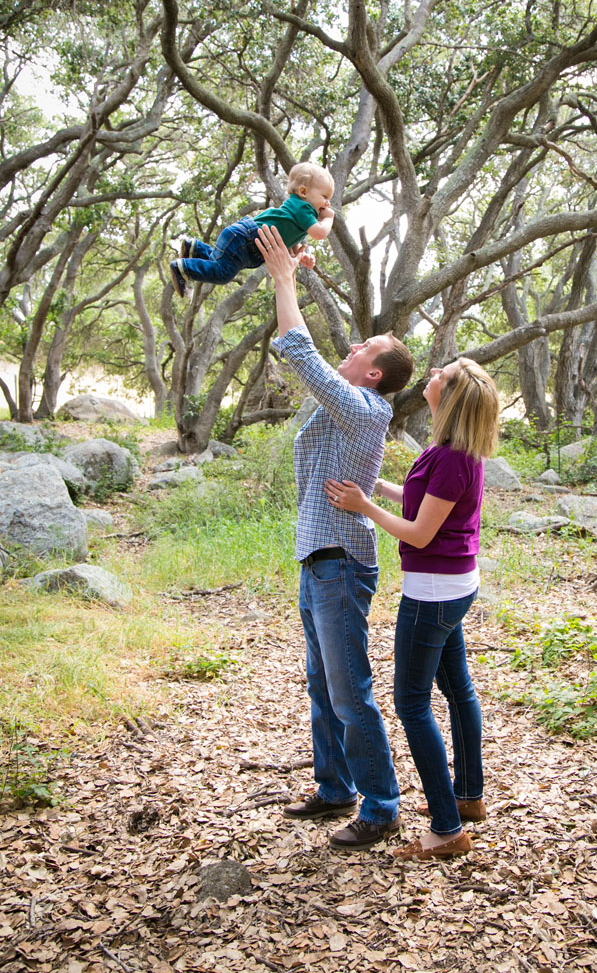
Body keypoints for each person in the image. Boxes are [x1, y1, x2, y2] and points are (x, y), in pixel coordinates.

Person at [254, 222, 414, 850]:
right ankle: (335, 787)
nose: (350, 349)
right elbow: (308, 354)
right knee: (324, 683)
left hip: (340, 564)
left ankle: (382, 806)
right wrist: (299, 274)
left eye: (362, 348)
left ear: (372, 376)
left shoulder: (364, 408)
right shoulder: (348, 402)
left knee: (349, 690)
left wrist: (284, 280)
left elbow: (300, 353)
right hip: (318, 560)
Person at [324, 356, 500, 861]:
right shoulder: (453, 449)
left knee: (411, 704)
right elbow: (430, 508)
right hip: (455, 583)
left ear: (451, 395)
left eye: (441, 374)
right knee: (458, 688)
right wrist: (380, 489)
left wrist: (364, 508)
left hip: (433, 592)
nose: (432, 375)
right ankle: (467, 797)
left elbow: (420, 533)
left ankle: (446, 830)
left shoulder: (450, 456)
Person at [169, 162, 334, 297]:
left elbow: (287, 242)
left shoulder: (297, 210)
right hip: (246, 241)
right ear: (304, 192)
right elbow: (319, 233)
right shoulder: (304, 208)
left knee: (217, 262)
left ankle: (194, 248)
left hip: (242, 237)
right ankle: (183, 268)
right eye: (325, 197)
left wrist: (301, 255)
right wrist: (329, 218)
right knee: (222, 273)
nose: (328, 203)